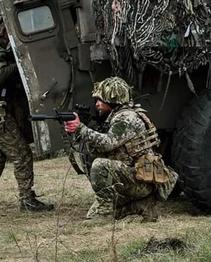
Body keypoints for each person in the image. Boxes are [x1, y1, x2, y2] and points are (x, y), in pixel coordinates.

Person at [0, 13, 54, 213]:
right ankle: (27, 199)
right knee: (22, 153)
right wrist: (20, 65)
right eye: (7, 31)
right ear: (1, 31)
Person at [64, 77, 178, 222]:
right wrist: (80, 131)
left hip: (141, 180)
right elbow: (97, 149)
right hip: (133, 177)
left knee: (100, 165)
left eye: (101, 99)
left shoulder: (127, 118)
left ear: (113, 100)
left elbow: (108, 143)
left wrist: (80, 128)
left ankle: (105, 215)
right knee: (92, 214)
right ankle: (142, 205)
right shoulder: (115, 116)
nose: (97, 104)